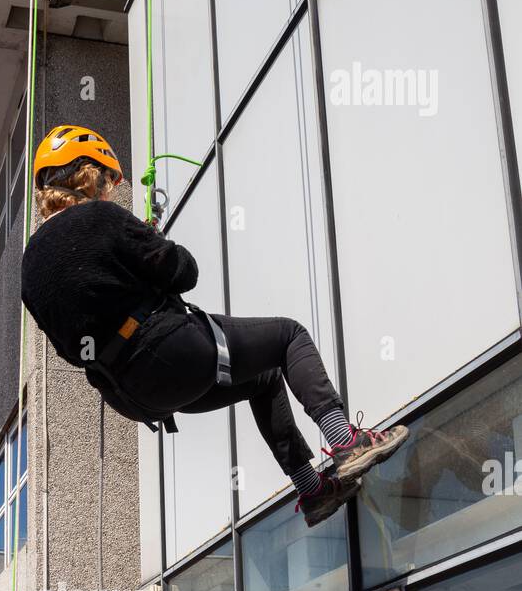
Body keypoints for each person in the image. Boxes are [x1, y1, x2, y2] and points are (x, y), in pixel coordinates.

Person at [21, 125, 408, 529]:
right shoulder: (100, 217)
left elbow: (74, 341)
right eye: (109, 182)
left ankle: (312, 490)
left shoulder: (30, 267)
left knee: (266, 378)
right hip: (173, 352)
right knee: (289, 335)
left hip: (135, 396)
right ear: (91, 174)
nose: (110, 192)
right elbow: (183, 272)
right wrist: (152, 243)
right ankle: (346, 442)